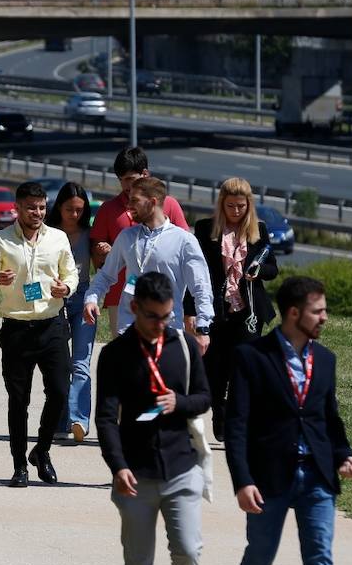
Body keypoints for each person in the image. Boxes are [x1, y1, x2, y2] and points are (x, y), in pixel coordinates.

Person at [225, 276, 352, 565]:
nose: (325, 318)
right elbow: (238, 425)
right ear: (293, 313)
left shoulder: (326, 360)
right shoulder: (252, 356)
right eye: (318, 311)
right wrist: (242, 479)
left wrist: (342, 454)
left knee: (321, 561)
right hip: (269, 478)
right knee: (259, 558)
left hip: (317, 478)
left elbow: (328, 419)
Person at [94, 271, 211, 565]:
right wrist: (118, 465)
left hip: (181, 467)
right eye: (152, 317)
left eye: (166, 316)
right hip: (136, 474)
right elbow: (106, 419)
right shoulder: (116, 354)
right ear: (134, 308)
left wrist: (179, 401)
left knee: (189, 553)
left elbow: (204, 398)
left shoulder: (183, 346)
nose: (160, 324)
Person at [0, 181, 79, 487]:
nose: (37, 212)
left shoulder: (58, 238)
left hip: (52, 326)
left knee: (60, 392)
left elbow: (71, 272)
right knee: (18, 401)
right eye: (31, 207)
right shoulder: (0, 240)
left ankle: (42, 451)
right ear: (18, 208)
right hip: (17, 330)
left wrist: (68, 287)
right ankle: (19, 465)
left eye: (41, 207)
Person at [189, 178, 279, 440]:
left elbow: (273, 268)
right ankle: (219, 409)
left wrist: (258, 270)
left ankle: (238, 419)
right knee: (215, 367)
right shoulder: (206, 229)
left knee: (244, 367)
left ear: (248, 205)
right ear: (221, 204)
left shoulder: (258, 230)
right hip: (217, 309)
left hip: (248, 312)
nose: (236, 211)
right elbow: (198, 269)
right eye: (231, 206)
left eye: (241, 206)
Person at [84, 177, 212, 347]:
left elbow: (201, 286)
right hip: (128, 329)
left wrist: (203, 327)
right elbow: (106, 275)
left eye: (135, 200)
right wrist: (91, 299)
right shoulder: (127, 236)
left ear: (152, 202)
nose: (129, 206)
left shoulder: (184, 240)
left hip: (167, 332)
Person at [88, 147, 190, 334]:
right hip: (120, 297)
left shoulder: (169, 204)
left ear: (145, 174)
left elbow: (185, 249)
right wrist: (109, 254)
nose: (126, 186)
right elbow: (96, 255)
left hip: (163, 299)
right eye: (121, 180)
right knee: (126, 357)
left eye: (130, 179)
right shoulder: (107, 209)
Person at [52, 182, 96, 442]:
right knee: (59, 365)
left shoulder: (90, 234)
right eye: (70, 209)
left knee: (81, 363)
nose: (75, 215)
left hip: (83, 300)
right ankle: (59, 421)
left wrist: (103, 251)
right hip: (54, 301)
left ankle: (78, 420)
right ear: (60, 207)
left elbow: (104, 267)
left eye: (80, 210)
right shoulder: (48, 232)